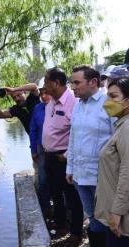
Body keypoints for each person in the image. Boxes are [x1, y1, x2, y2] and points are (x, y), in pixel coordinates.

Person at [66, 65, 113, 247]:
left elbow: (119, 140)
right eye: (72, 82)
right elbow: (73, 138)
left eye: (77, 82)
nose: (73, 87)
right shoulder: (78, 106)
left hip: (101, 177)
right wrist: (70, 168)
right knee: (93, 218)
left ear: (93, 82)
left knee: (107, 219)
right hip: (79, 176)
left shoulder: (109, 103)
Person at [42, 67, 83, 247]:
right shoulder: (51, 101)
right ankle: (61, 225)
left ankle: (76, 233)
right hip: (50, 157)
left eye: (46, 82)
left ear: (56, 83)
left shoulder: (73, 102)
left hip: (63, 158)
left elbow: (78, 131)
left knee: (72, 197)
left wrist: (66, 155)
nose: (44, 86)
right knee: (56, 193)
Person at [95, 73, 129, 246]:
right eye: (107, 95)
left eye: (113, 96)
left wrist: (116, 212)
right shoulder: (121, 125)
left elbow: (127, 174)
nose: (107, 100)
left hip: (123, 220)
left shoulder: (127, 128)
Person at [29, 78, 52, 220]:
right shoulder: (38, 108)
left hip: (58, 150)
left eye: (46, 93)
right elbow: (33, 130)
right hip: (41, 149)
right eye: (41, 93)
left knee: (59, 180)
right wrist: (34, 150)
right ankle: (46, 209)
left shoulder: (58, 106)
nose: (43, 96)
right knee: (43, 180)